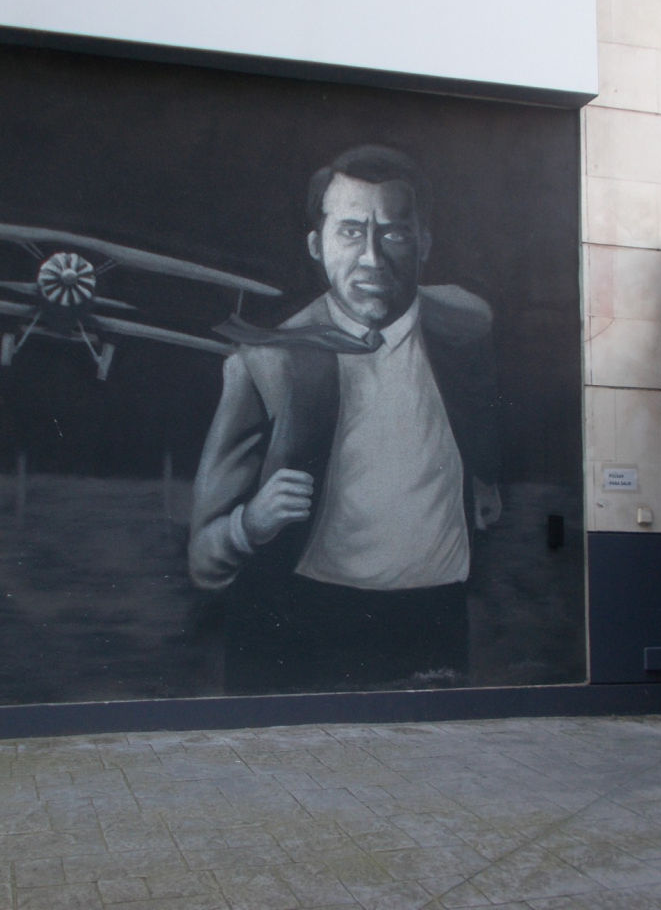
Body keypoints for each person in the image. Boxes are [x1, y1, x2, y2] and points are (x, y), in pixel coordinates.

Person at [188, 145, 501, 694]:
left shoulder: (466, 326)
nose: (372, 259)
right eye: (351, 232)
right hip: (305, 627)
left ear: (424, 244)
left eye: (394, 234)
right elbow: (203, 559)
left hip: (433, 622)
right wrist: (251, 523)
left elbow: (474, 415)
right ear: (317, 245)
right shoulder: (266, 363)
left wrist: (481, 482)